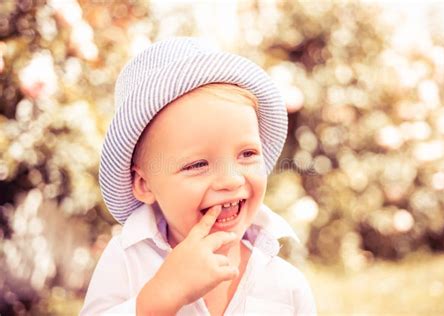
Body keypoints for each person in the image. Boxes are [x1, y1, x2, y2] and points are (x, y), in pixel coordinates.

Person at [80, 37, 317, 315]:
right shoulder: (127, 260)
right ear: (145, 184)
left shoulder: (286, 287)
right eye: (197, 164)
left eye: (247, 154)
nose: (231, 180)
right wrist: (163, 294)